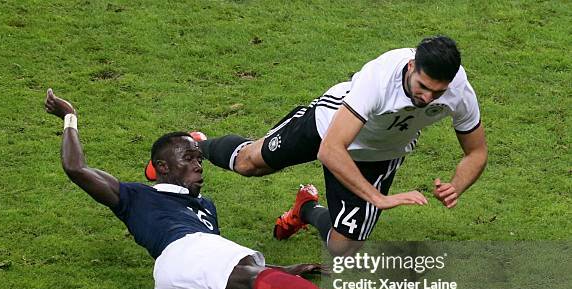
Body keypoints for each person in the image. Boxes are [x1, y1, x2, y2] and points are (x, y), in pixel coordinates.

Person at [44, 89, 399, 289]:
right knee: (248, 274)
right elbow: (76, 168)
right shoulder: (136, 195)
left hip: (173, 278)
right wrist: (70, 118)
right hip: (182, 254)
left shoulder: (205, 208)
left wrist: (287, 269)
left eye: (200, 158)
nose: (199, 164)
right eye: (189, 157)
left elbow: (220, 269)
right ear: (163, 167)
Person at [164, 35, 487, 255]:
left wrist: (457, 185)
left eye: (437, 93)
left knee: (342, 248)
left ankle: (304, 209)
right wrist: (377, 197)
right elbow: (331, 150)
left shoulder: (459, 91)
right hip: (326, 127)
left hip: (380, 153)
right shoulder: (379, 79)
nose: (427, 98)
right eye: (423, 87)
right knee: (250, 164)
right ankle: (196, 145)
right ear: (410, 67)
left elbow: (476, 151)